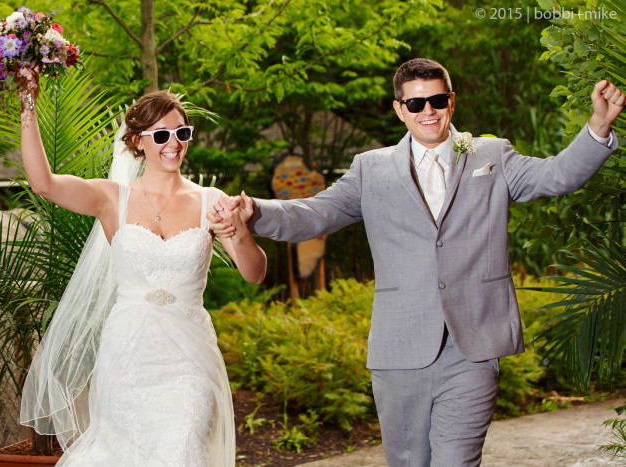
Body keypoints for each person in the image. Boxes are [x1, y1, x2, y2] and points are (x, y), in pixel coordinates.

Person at [209, 58, 624, 466]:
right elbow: (315, 214)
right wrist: (254, 211)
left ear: (451, 102)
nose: (428, 111)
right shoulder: (370, 169)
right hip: (399, 350)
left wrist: (598, 126)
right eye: (415, 103)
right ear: (399, 109)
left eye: (437, 100)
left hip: (473, 348)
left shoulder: (492, 155)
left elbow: (556, 175)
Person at [16, 68, 266, 466]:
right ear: (138, 141)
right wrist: (27, 103)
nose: (174, 143)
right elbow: (43, 183)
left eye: (182, 133)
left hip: (189, 358)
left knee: (184, 446)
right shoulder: (110, 198)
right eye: (161, 135)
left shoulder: (211, 200)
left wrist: (236, 231)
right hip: (127, 355)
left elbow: (255, 273)